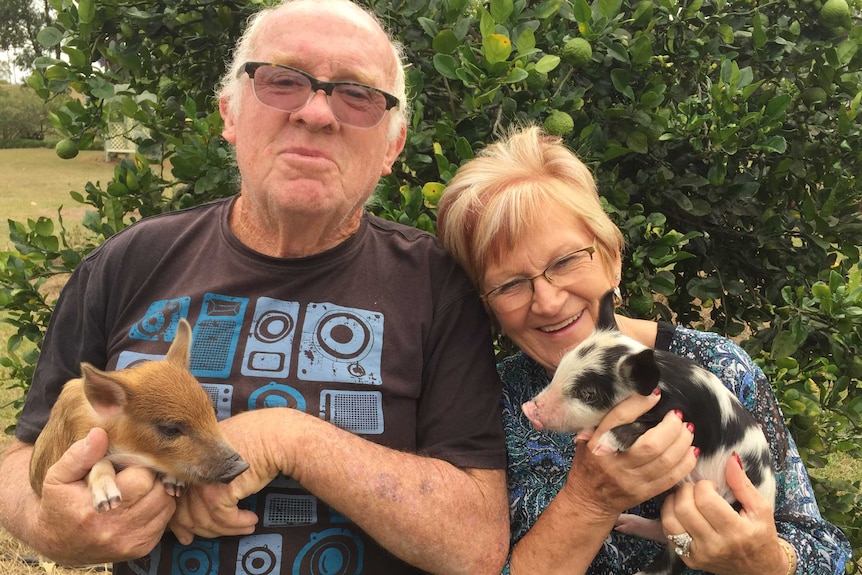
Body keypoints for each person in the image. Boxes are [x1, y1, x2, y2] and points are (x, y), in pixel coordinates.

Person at [0, 1, 511, 573]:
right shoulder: (128, 262)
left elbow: (476, 544)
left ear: (393, 146)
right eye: (283, 81)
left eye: (357, 95)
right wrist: (49, 522)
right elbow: (25, 456)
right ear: (231, 115)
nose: (317, 113)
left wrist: (287, 438)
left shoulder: (437, 285)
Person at [436, 125, 852, 575]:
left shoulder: (718, 368)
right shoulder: (481, 403)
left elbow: (821, 548)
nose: (548, 300)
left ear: (612, 256)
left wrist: (768, 560)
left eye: (565, 260)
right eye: (510, 284)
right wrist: (588, 501)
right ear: (486, 304)